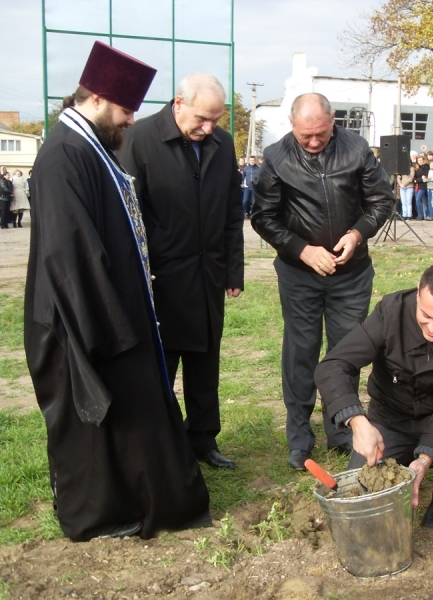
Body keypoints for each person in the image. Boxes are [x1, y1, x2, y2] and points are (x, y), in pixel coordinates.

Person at [25, 41, 210, 541]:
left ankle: (141, 503)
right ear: (100, 98)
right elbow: (70, 254)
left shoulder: (89, 146)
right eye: (127, 109)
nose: (131, 121)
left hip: (112, 312)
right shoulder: (64, 154)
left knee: (135, 416)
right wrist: (109, 329)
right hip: (85, 319)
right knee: (103, 425)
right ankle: (106, 513)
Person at [251, 92, 393, 470]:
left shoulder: (357, 149)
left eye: (320, 134)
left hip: (351, 275)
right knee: (300, 352)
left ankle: (342, 429)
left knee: (346, 353)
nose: (313, 143)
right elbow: (263, 217)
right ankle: (299, 437)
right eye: (305, 136)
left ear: (333, 121)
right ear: (292, 126)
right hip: (300, 275)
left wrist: (358, 233)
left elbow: (381, 201)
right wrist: (302, 250)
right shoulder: (277, 157)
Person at [119, 72, 245, 470]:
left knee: (205, 364)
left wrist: (233, 272)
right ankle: (161, 446)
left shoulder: (222, 144)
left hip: (208, 275)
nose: (208, 129)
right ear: (178, 104)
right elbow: (127, 216)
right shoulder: (139, 140)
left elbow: (231, 211)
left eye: (216, 121)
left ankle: (203, 439)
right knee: (161, 367)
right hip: (161, 280)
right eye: (201, 119)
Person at [315, 262, 433, 528]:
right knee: (361, 497)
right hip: (390, 422)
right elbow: (332, 366)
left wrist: (425, 459)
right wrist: (358, 421)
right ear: (418, 293)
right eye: (426, 315)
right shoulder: (390, 313)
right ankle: (397, 460)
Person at [398, 154, 416, 219]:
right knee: (403, 201)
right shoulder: (401, 169)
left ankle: (409, 215)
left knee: (409, 201)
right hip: (402, 187)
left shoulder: (412, 168)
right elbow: (398, 177)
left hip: (409, 187)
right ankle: (404, 214)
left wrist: (404, 184)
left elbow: (411, 178)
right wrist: (400, 184)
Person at [412, 153, 429, 220]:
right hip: (417, 186)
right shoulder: (416, 168)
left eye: (421, 160)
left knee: (418, 199)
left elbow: (425, 177)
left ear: (423, 160)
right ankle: (419, 214)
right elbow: (415, 178)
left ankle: (421, 215)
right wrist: (419, 179)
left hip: (423, 186)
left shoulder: (426, 166)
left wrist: (418, 180)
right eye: (418, 160)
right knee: (418, 201)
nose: (420, 161)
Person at [424, 154, 433, 220]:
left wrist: (428, 179)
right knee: (429, 202)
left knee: (432, 202)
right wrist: (427, 179)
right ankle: (430, 214)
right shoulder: (429, 171)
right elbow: (425, 180)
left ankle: (432, 215)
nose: (431, 166)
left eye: (432, 165)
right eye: (430, 165)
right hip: (428, 187)